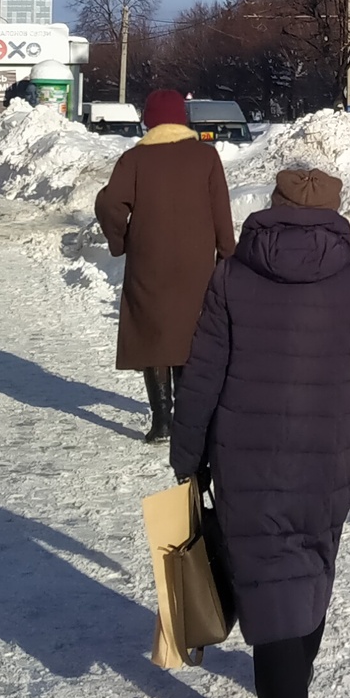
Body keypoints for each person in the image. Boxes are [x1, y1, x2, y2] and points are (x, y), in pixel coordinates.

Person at [168, 164, 350, 698]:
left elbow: (203, 372)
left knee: (267, 574)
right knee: (309, 567)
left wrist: (186, 456)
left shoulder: (232, 276)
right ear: (336, 218)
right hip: (326, 464)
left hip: (245, 460)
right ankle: (294, 687)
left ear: (271, 208)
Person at [94, 89, 235, 443]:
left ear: (150, 121)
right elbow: (221, 213)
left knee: (153, 338)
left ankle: (162, 422)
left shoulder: (134, 160)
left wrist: (120, 241)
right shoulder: (207, 158)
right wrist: (227, 256)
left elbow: (110, 204)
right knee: (189, 338)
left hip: (149, 264)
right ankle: (188, 422)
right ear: (182, 119)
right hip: (196, 267)